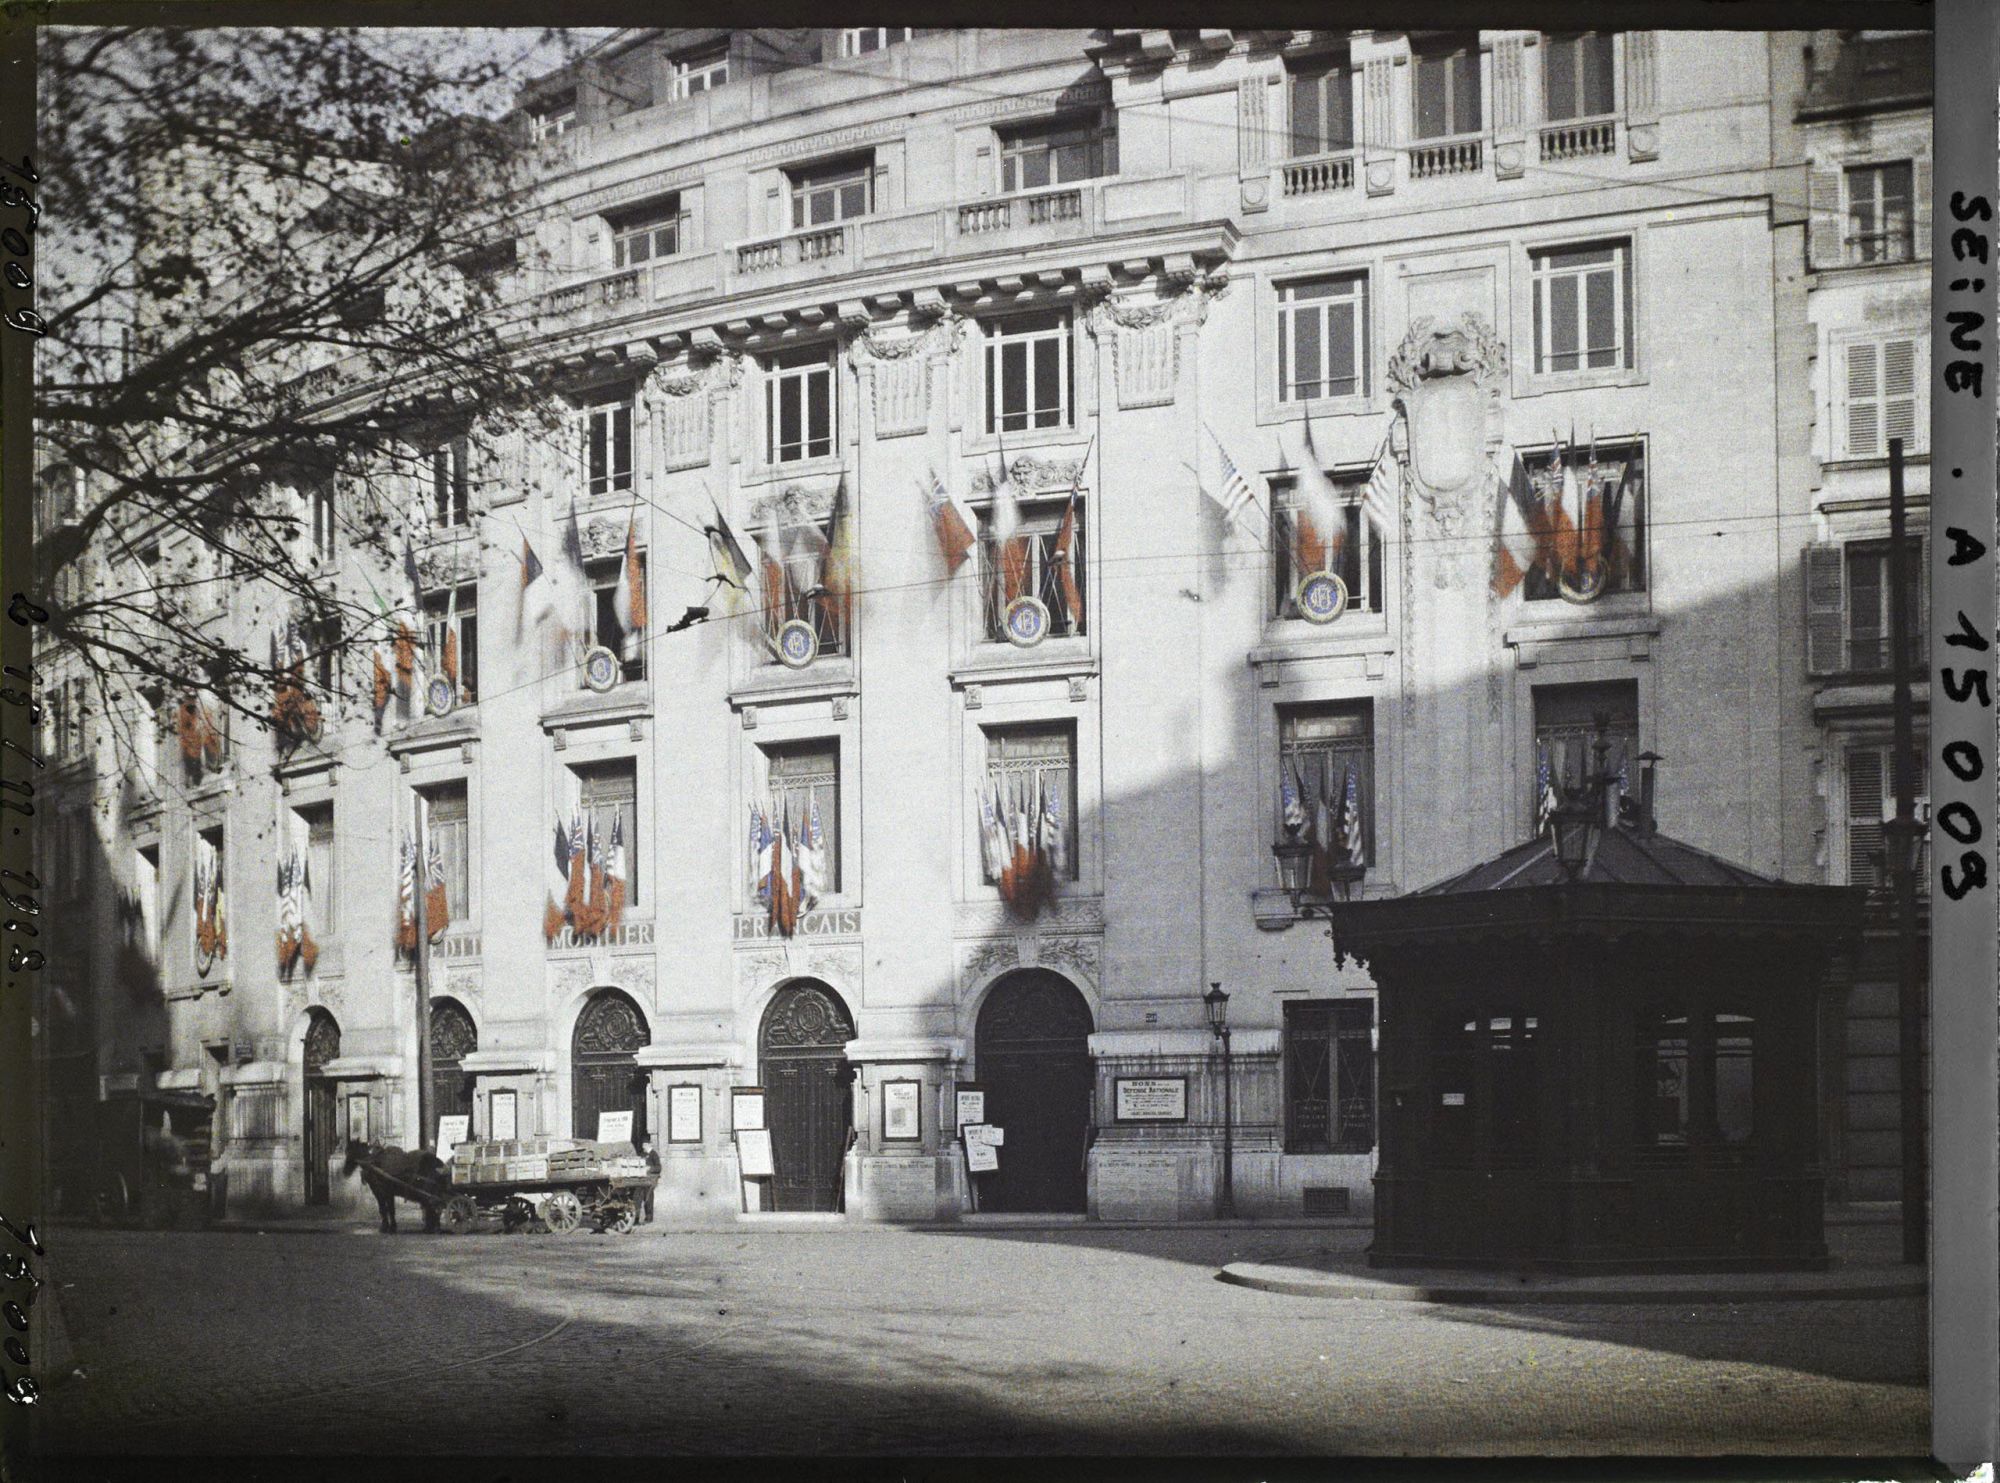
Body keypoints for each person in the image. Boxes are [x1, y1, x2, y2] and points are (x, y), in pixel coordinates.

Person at [639, 1139, 659, 1225]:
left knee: (648, 1198)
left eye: (644, 1145)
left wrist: (650, 1169)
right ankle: (641, 1217)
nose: (643, 1146)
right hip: (642, 1180)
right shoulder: (643, 1154)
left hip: (651, 1180)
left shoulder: (654, 1154)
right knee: (642, 1198)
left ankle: (649, 1217)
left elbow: (659, 1167)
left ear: (649, 1145)